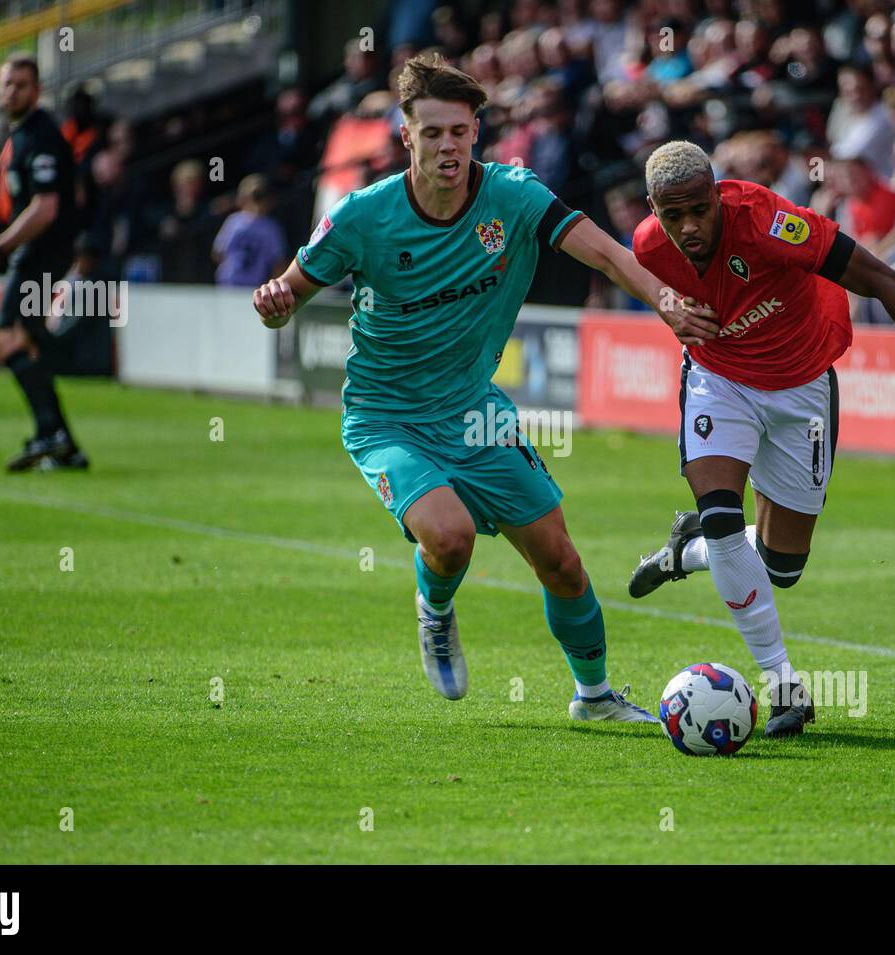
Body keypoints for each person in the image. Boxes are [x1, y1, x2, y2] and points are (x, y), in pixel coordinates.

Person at [251, 54, 712, 720]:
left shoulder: (515, 197)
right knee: (452, 535)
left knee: (560, 559)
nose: (448, 145)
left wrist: (665, 299)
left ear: (477, 134)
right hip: (387, 418)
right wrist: (274, 300)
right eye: (432, 132)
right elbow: (289, 290)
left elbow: (609, 252)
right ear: (404, 135)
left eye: (460, 132)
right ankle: (434, 609)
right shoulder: (363, 216)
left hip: (475, 412)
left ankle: (594, 696)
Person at [625, 141, 895, 737]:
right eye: (673, 215)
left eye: (700, 209)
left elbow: (885, 280)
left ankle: (689, 550)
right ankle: (785, 687)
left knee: (783, 567)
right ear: (653, 207)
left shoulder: (771, 225)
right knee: (726, 519)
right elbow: (647, 283)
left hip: (802, 388)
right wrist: (670, 308)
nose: (689, 227)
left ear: (717, 193)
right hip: (718, 380)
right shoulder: (648, 245)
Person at [0, 54, 87, 472]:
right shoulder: (21, 136)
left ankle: (50, 433)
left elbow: (46, 208)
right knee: (28, 343)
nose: (12, 91)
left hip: (41, 252)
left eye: (21, 84)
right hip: (34, 252)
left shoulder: (42, 135)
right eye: (6, 84)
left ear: (36, 90)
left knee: (6, 340)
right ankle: (64, 445)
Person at [212, 174, 287, 287]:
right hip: (228, 284)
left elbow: (278, 262)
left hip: (253, 287)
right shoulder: (234, 221)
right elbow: (218, 253)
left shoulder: (271, 228)